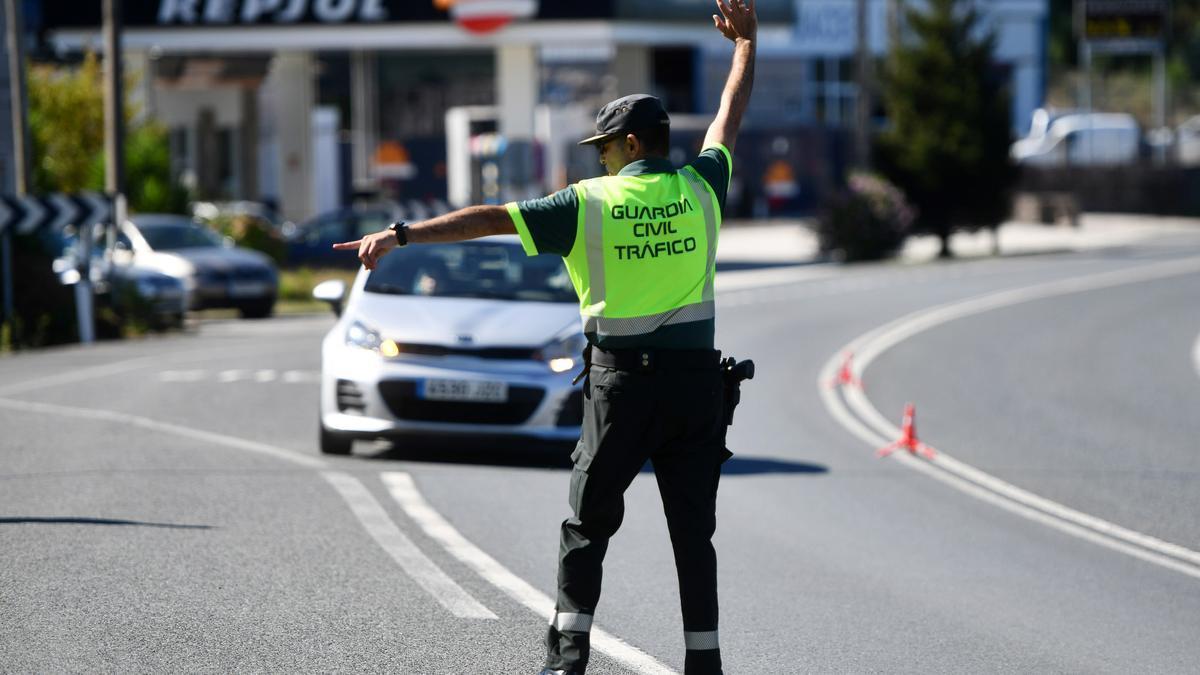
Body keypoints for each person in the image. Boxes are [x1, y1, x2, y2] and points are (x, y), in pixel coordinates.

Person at [333, 2, 757, 672]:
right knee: (692, 537)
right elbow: (727, 119)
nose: (604, 157)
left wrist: (404, 234)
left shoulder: (586, 203)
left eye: (609, 146)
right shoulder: (704, 187)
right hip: (696, 389)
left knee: (587, 525)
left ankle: (566, 659)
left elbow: (490, 219)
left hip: (623, 388)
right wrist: (745, 48)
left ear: (634, 144)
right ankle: (705, 665)